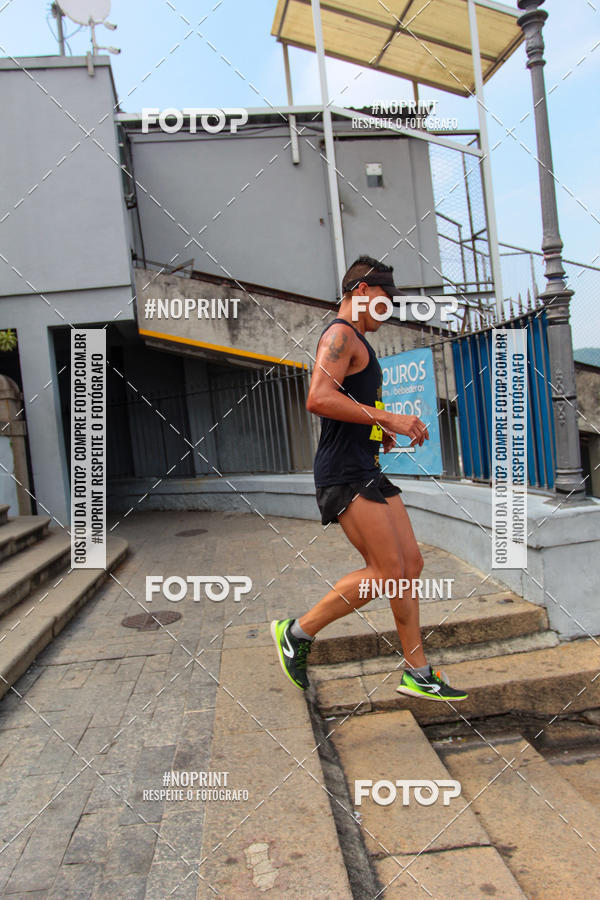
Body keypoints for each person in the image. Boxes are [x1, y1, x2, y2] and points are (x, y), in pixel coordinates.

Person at [270, 255, 468, 702]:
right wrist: (389, 418)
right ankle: (297, 633)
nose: (390, 307)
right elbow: (318, 398)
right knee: (386, 571)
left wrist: (379, 435)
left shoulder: (358, 341)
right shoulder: (340, 335)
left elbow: (350, 408)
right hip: (343, 472)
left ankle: (417, 672)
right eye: (386, 298)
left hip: (365, 466)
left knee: (409, 566)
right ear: (360, 290)